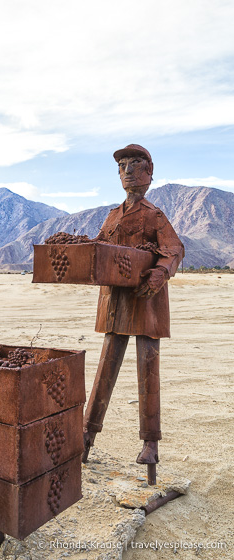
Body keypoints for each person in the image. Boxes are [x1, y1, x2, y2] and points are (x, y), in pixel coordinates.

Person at [83, 144, 184, 464]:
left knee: (148, 371)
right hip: (116, 303)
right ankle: (86, 436)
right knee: (105, 370)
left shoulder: (154, 215)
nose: (127, 171)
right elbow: (98, 248)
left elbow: (175, 249)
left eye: (134, 164)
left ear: (148, 172)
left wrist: (160, 273)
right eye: (122, 165)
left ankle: (150, 444)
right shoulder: (113, 216)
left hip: (146, 305)